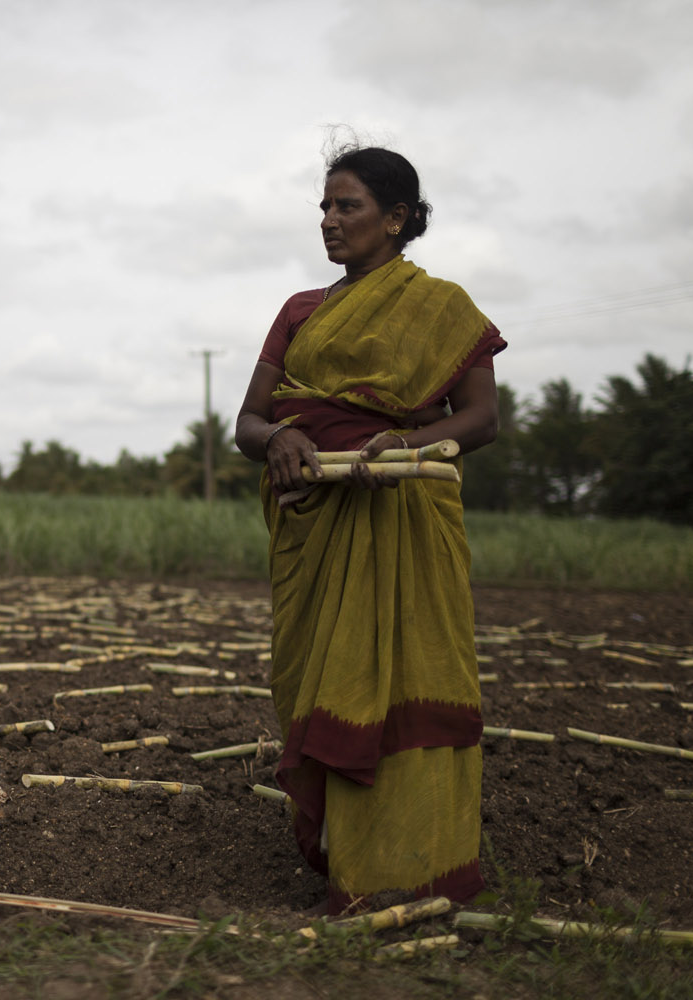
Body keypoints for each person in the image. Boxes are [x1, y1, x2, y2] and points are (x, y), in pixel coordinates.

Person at [234, 146, 506, 915]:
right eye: (324, 207)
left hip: (403, 517)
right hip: (314, 523)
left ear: (396, 219)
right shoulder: (299, 311)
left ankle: (415, 869)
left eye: (346, 206)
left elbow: (481, 419)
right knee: (320, 680)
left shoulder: (443, 307)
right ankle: (344, 857)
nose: (329, 220)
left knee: (406, 680)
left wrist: (404, 447)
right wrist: (280, 437)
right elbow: (248, 422)